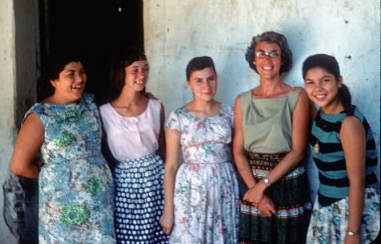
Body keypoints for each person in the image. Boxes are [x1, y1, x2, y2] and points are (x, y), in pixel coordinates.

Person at [10, 52, 116, 243]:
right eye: (71, 74)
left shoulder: (90, 104)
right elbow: (19, 165)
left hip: (98, 199)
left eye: (82, 72)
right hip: (62, 205)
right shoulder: (41, 116)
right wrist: (56, 174)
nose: (79, 79)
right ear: (54, 81)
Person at [233, 31, 312, 243]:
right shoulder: (242, 100)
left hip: (287, 184)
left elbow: (298, 151)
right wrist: (255, 191)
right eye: (261, 54)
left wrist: (262, 186)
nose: (267, 60)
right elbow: (238, 151)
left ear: (282, 59)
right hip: (252, 184)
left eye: (274, 54)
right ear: (253, 59)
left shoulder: (297, 97)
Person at [160, 56, 240, 243]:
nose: (206, 85)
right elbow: (171, 165)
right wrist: (168, 211)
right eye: (199, 80)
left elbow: (238, 155)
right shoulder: (178, 117)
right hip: (190, 190)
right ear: (188, 83)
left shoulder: (229, 112)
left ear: (216, 79)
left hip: (224, 187)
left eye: (211, 78)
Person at [302, 54, 380, 244]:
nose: (317, 88)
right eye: (310, 82)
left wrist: (352, 233)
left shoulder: (349, 125)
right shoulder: (322, 114)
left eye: (325, 80)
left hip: (351, 210)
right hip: (326, 206)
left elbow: (357, 183)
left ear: (339, 82)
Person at [99, 46, 168, 243]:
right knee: (129, 236)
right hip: (125, 186)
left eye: (145, 68)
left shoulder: (155, 106)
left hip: (156, 181)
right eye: (135, 69)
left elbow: (164, 152)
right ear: (121, 73)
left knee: (160, 235)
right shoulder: (104, 113)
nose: (142, 74)